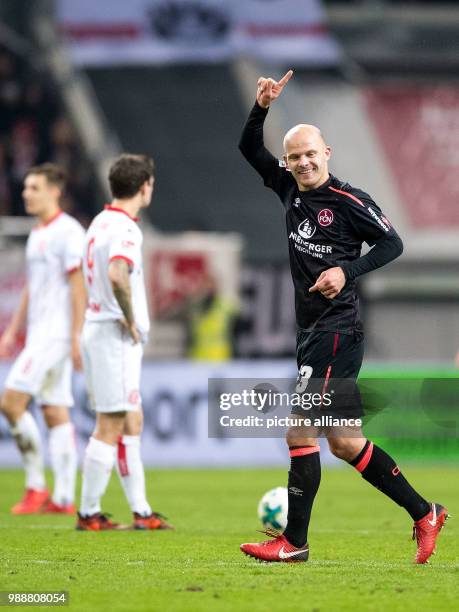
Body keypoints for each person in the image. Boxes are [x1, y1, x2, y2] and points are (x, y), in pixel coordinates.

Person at [238, 71, 448, 564]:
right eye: (294, 157)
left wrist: (345, 271)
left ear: (327, 152)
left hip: (338, 330)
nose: (304, 162)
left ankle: (294, 543)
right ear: (288, 163)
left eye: (311, 153)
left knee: (298, 431)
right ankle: (424, 513)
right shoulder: (289, 189)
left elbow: (393, 243)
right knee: (345, 442)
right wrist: (262, 107)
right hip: (312, 331)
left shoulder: (350, 201)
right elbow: (249, 148)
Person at [77, 153, 173, 531]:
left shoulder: (100, 221)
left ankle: (141, 511)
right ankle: (88, 513)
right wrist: (131, 319)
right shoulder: (127, 230)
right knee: (111, 422)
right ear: (145, 186)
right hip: (112, 334)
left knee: (132, 419)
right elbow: (118, 274)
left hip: (100, 330)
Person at [0, 163, 85, 514]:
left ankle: (36, 485)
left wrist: (76, 336)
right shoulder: (38, 234)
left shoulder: (69, 232)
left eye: (34, 188)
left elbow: (78, 285)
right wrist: (11, 330)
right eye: (25, 188)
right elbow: (32, 288)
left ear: (55, 190)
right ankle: (63, 498)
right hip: (39, 334)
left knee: (11, 402)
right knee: (54, 411)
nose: (26, 193)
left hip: (55, 336)